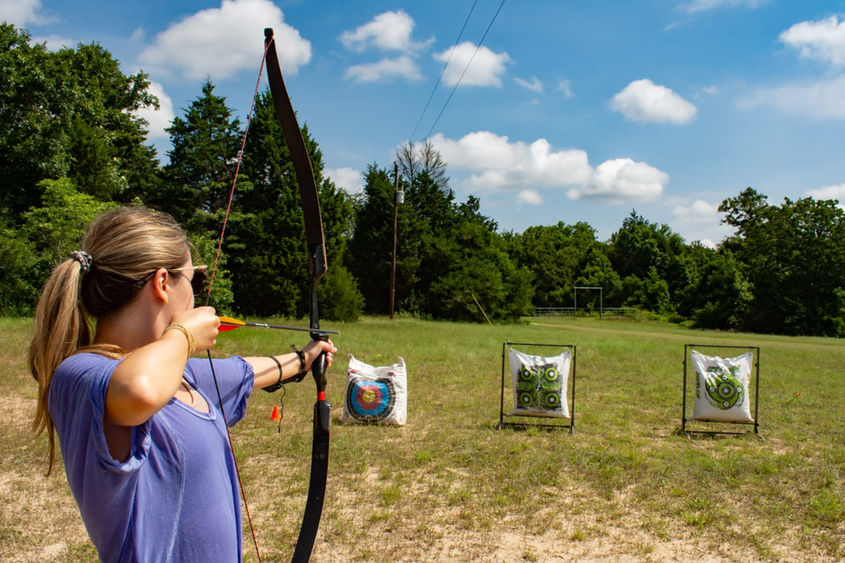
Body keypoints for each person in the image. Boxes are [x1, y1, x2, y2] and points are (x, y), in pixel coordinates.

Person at [28, 207, 336, 561]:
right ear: (162, 283)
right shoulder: (80, 375)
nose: (196, 294)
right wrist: (184, 335)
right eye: (194, 281)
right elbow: (138, 390)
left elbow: (247, 371)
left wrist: (305, 358)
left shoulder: (181, 373)